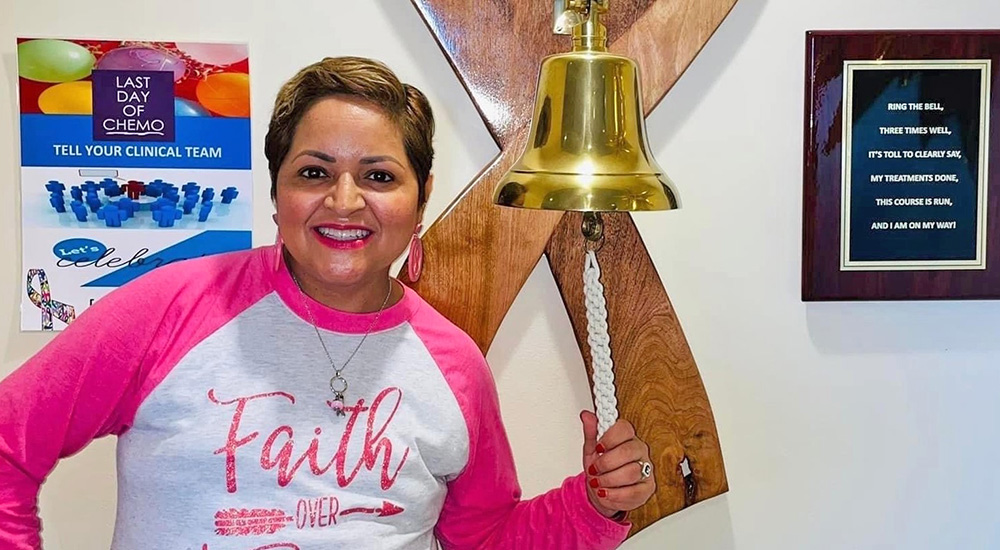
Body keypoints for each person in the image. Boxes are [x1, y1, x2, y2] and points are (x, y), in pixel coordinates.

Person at [0, 56, 656, 549]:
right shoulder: (170, 306)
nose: (344, 202)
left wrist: (593, 504)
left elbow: (479, 538)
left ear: (421, 197)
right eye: (314, 172)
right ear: (277, 188)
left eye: (379, 176)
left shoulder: (454, 365)